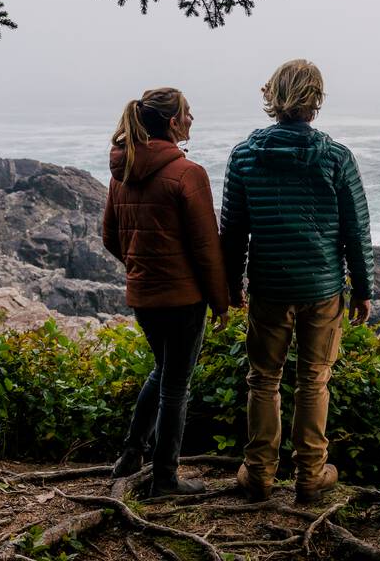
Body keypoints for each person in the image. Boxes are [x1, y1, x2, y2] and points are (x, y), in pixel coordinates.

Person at [221, 59, 375, 504]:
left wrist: (233, 286)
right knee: (314, 380)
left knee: (263, 380)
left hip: (268, 286)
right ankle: (310, 474)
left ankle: (259, 473)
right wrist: (362, 289)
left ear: (274, 96)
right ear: (316, 100)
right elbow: (355, 229)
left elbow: (233, 231)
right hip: (322, 288)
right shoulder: (335, 157)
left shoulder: (245, 156)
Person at [102, 87, 231, 496]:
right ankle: (165, 478)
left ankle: (130, 454)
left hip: (143, 296)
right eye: (188, 113)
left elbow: (110, 236)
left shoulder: (122, 170)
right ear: (173, 122)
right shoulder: (187, 174)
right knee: (176, 385)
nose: (192, 118)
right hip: (183, 299)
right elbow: (207, 247)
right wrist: (221, 300)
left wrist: (141, 268)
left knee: (162, 373)